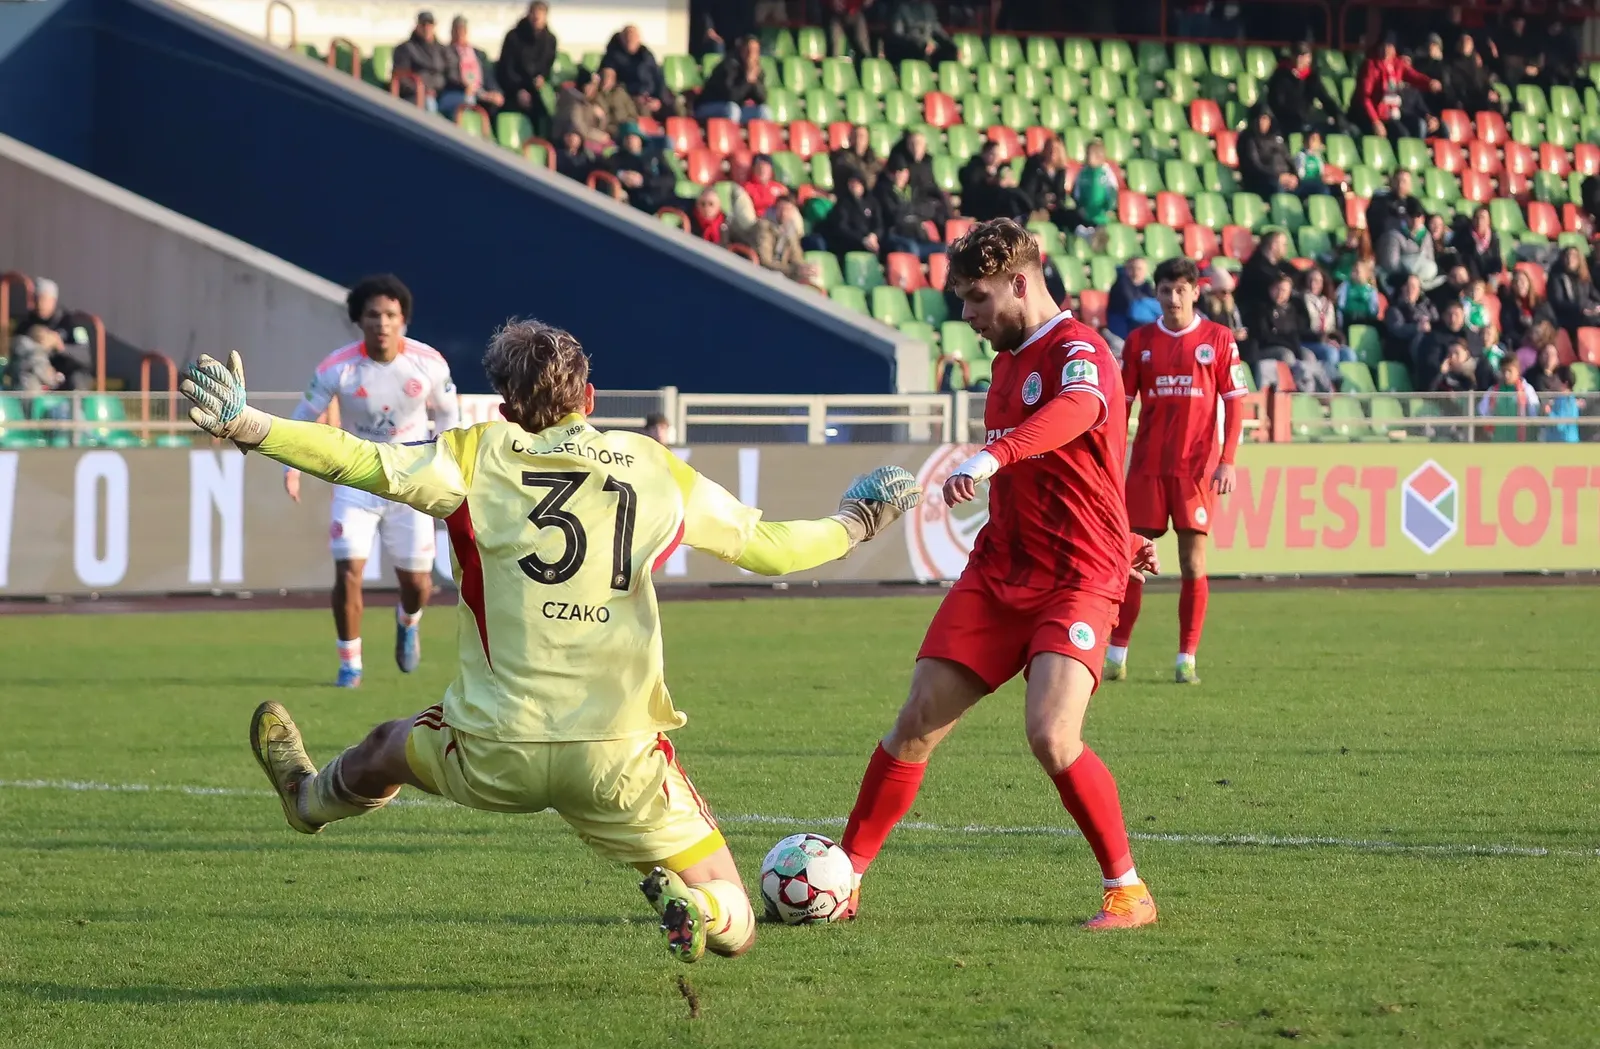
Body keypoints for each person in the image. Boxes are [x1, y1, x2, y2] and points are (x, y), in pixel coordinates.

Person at [180, 324, 921, 965]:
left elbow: (357, 458)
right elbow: (772, 548)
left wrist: (250, 424)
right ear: (590, 398)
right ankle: (701, 910)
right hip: (617, 759)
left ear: (505, 409)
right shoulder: (651, 466)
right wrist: (858, 521)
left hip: (494, 747)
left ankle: (307, 800)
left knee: (383, 746)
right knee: (738, 912)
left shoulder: (475, 455)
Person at [835, 218, 1161, 931]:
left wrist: (993, 455)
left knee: (1051, 734)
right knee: (916, 721)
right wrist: (1124, 527)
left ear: (1020, 282)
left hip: (1076, 576)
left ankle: (1128, 891)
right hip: (1001, 568)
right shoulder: (1007, 362)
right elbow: (1075, 469)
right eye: (962, 300)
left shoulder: (1080, 351)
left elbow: (1079, 411)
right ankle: (843, 880)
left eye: (978, 298)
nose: (969, 315)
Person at [280, 275, 457, 688]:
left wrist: (447, 461)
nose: (382, 323)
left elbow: (450, 414)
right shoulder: (337, 368)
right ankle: (350, 664)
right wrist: (291, 467)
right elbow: (303, 417)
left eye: (391, 314)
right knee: (348, 570)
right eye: (373, 315)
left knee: (417, 584)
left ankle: (408, 619)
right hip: (356, 479)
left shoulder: (428, 363)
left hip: (411, 481)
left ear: (403, 320)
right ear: (359, 320)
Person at [1109, 257, 1247, 685]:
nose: (1173, 298)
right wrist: (1111, 462)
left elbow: (1235, 402)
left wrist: (1227, 461)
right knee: (1131, 560)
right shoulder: (1139, 342)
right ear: (1156, 293)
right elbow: (1121, 408)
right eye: (1166, 290)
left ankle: (1186, 657)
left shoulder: (1218, 339)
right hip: (1147, 467)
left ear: (1195, 292)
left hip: (1196, 470)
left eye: (1181, 290)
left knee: (1192, 562)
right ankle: (1116, 654)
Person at [8, 278, 93, 391]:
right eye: (36, 299)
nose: (39, 304)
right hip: (38, 374)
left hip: (66, 377)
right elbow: (14, 352)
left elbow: (85, 357)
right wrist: (33, 342)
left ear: (53, 300)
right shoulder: (26, 324)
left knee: (78, 378)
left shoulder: (71, 323)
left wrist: (60, 345)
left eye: (43, 299)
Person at [1252, 273, 1330, 392]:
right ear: (1271, 289)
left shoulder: (1291, 310)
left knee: (1308, 355)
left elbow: (1299, 332)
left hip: (1290, 346)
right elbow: (1264, 336)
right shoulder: (1261, 309)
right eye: (1277, 289)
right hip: (1267, 348)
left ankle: (1315, 390)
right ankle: (1296, 389)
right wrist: (1289, 342)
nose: (1280, 293)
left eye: (1284, 291)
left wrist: (1321, 337)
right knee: (1287, 355)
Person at [1350, 36, 1439, 140]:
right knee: (1402, 134)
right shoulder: (1370, 66)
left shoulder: (1398, 64)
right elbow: (1365, 97)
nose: (1385, 49)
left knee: (1417, 125)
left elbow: (1414, 76)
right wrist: (1375, 121)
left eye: (1389, 46)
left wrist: (1429, 82)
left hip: (1391, 113)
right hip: (1372, 114)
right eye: (1383, 46)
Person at [496, 1, 557, 136]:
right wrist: (518, 90)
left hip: (536, 89)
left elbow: (547, 65)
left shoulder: (550, 40)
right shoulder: (514, 37)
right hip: (513, 88)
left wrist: (542, 77)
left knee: (546, 111)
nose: (536, 20)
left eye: (540, 17)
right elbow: (506, 69)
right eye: (534, 16)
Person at [1266, 41, 1346, 135]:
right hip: (1285, 123)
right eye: (1298, 56)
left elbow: (1325, 98)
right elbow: (1276, 103)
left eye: (1304, 56)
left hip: (1305, 121)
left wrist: (1337, 115)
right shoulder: (1281, 76)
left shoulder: (1311, 78)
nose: (1300, 59)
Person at [602, 25, 674, 120]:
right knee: (641, 110)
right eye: (627, 36)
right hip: (630, 99)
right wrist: (636, 97)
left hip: (650, 97)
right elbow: (610, 82)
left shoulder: (647, 56)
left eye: (634, 36)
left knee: (675, 106)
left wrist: (658, 100)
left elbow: (659, 79)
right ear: (622, 39)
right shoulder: (613, 57)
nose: (630, 39)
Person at [439, 16, 504, 119]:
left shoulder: (479, 54)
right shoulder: (445, 52)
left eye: (462, 30)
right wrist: (465, 86)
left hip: (480, 91)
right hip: (457, 91)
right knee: (468, 101)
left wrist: (495, 91)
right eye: (457, 30)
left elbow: (488, 77)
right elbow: (449, 75)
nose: (460, 34)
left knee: (496, 103)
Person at [875, 162, 944, 259]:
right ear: (890, 174)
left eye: (903, 172)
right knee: (911, 248)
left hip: (916, 235)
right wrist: (912, 211)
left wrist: (911, 212)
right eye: (897, 172)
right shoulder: (883, 192)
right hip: (896, 235)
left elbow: (927, 210)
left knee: (943, 248)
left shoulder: (913, 190)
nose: (900, 176)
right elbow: (895, 217)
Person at [697, 35, 769, 123]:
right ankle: (729, 132)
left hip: (735, 108)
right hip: (709, 106)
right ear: (741, 50)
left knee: (764, 111)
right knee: (732, 109)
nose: (751, 54)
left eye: (755, 51)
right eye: (748, 50)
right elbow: (731, 97)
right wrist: (747, 81)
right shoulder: (729, 65)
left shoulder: (756, 69)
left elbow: (762, 99)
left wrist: (755, 83)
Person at [886, 130, 949, 228]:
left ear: (925, 147)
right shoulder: (901, 163)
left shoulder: (927, 163)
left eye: (919, 144)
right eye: (912, 144)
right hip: (911, 205)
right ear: (907, 146)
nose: (916, 148)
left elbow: (932, 186)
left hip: (926, 203)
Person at [608, 123, 675, 214]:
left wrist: (643, 181)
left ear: (640, 139)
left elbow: (671, 179)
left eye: (634, 137)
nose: (631, 141)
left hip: (661, 197)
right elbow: (607, 168)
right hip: (638, 201)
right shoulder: (618, 158)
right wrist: (622, 175)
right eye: (627, 138)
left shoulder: (655, 155)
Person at [1301, 267, 1356, 379]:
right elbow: (1300, 330)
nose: (1313, 284)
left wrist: (1335, 340)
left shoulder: (1329, 304)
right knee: (1330, 353)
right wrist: (1323, 339)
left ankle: (1347, 385)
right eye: (1310, 280)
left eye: (1317, 281)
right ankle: (1329, 385)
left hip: (1327, 340)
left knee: (1349, 353)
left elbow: (1335, 329)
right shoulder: (1300, 301)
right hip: (1309, 341)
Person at [393, 11, 452, 109]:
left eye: (430, 24)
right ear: (417, 26)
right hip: (416, 95)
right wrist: (422, 90)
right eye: (423, 24)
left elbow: (449, 73)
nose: (426, 28)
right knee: (429, 104)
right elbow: (401, 77)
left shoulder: (442, 50)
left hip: (441, 93)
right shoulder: (405, 49)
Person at [1237, 105, 1296, 201]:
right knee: (1278, 186)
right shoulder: (1247, 139)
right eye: (1261, 118)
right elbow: (1255, 165)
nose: (1263, 122)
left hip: (1284, 177)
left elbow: (1288, 158)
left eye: (1266, 119)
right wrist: (1278, 177)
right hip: (1260, 181)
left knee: (1316, 188)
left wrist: (1294, 176)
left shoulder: (1276, 138)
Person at [1478, 354, 1537, 442]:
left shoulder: (1527, 390)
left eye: (1509, 371)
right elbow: (1482, 412)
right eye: (1503, 371)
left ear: (1518, 371)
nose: (1506, 375)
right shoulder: (1493, 391)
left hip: (1521, 441)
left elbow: (1534, 413)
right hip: (1497, 441)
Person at [819, 174, 881, 256]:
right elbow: (842, 227)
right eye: (851, 183)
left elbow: (878, 224)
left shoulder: (872, 202)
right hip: (850, 243)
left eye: (857, 183)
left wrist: (874, 235)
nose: (854, 186)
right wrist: (862, 240)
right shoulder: (843, 203)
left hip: (870, 241)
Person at [1236, 229, 1289, 325]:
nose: (1286, 248)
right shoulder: (1255, 266)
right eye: (1283, 244)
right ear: (1274, 245)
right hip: (1255, 317)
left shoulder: (1281, 264)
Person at [1383, 271, 1437, 365]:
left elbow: (1437, 321)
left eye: (1415, 287)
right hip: (1403, 351)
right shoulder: (1395, 309)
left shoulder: (1427, 307)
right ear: (1402, 288)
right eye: (1408, 286)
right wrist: (1417, 328)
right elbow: (1397, 329)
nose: (1411, 290)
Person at [553, 69, 611, 152]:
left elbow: (598, 127)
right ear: (584, 86)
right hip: (565, 140)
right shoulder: (572, 101)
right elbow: (579, 128)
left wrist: (602, 118)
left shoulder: (590, 101)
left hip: (585, 138)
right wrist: (600, 137)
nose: (594, 88)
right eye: (591, 85)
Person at [1546, 245, 1600, 335]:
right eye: (1567, 256)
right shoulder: (1557, 277)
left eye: (1574, 256)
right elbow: (1558, 302)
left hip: (1585, 312)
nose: (1570, 259)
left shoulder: (1584, 278)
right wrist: (1581, 309)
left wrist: (1596, 307)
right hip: (1568, 316)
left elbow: (1595, 295)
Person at [1019, 135, 1070, 228]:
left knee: (1070, 214)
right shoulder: (1034, 165)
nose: (1052, 152)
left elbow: (1060, 194)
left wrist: (1054, 201)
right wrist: (1043, 200)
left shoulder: (1060, 170)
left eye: (1056, 150)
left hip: (1053, 209)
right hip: (1034, 207)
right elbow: (1027, 191)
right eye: (1050, 148)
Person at [885, 0, 956, 65]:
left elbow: (937, 29)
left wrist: (953, 45)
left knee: (949, 50)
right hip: (910, 47)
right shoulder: (901, 8)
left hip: (929, 45)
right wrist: (922, 43)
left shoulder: (928, 8)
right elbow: (898, 34)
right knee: (918, 48)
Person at [1447, 33, 1501, 114]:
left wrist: (1492, 92)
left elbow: (1485, 82)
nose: (1466, 44)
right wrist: (1484, 95)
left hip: (1482, 100)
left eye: (1469, 42)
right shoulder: (1454, 65)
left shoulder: (1476, 65)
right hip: (1468, 103)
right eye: (1464, 42)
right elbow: (1461, 88)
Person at [1106, 257, 1159, 339]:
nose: (1136, 272)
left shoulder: (1146, 285)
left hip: (1139, 328)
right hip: (1121, 330)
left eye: (1139, 269)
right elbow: (1134, 307)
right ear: (1126, 270)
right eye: (1132, 268)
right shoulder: (1121, 284)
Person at [1071, 141, 1119, 231]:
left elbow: (1112, 191)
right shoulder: (1082, 172)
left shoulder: (1106, 172)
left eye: (1089, 154)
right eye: (1087, 154)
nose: (1087, 157)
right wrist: (1080, 206)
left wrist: (1109, 208)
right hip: (1085, 215)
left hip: (1101, 217)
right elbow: (1076, 192)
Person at [1451, 206, 1502, 282]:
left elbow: (1497, 260)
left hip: (1487, 275)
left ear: (1489, 221)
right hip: (1469, 275)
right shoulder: (1463, 235)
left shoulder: (1494, 238)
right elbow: (1459, 257)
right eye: (1477, 218)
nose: (1479, 221)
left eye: (1483, 218)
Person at [1500, 269, 1546, 351]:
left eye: (1522, 281)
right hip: (1522, 344)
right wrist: (1523, 340)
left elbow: (1550, 321)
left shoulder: (1539, 302)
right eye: (1516, 282)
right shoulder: (1508, 305)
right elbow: (1508, 330)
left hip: (1542, 341)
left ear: (1529, 283)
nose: (1519, 284)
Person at [833, 125, 882, 189]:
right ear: (850, 139)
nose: (858, 140)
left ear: (867, 140)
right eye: (855, 136)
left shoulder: (873, 159)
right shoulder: (843, 157)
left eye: (861, 137)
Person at [596, 66, 639, 133]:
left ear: (613, 80)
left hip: (625, 127)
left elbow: (632, 113)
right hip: (608, 129)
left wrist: (628, 123)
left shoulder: (621, 93)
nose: (605, 80)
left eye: (608, 77)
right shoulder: (596, 96)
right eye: (603, 76)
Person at [1292, 130, 1332, 199]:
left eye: (1316, 140)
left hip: (1318, 183)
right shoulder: (1300, 156)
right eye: (1312, 139)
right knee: (1322, 188)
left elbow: (1321, 173)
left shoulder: (1318, 157)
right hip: (1304, 185)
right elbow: (1301, 175)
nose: (1313, 142)